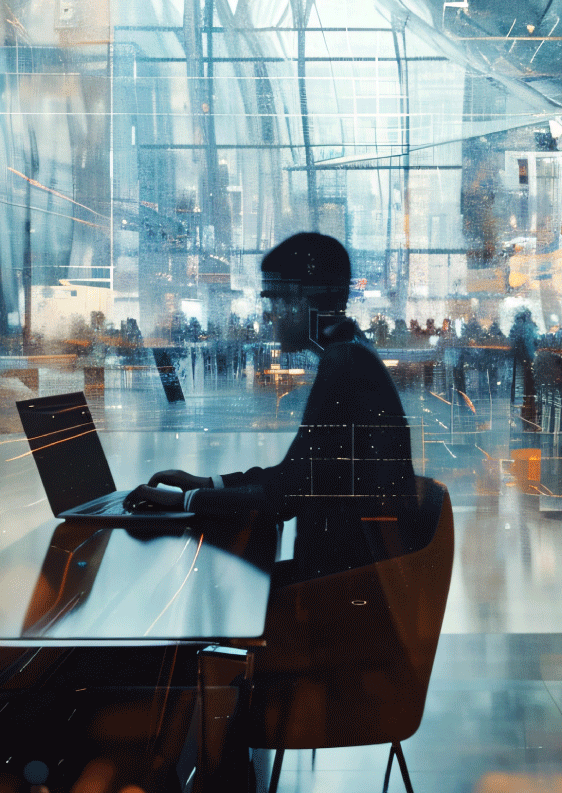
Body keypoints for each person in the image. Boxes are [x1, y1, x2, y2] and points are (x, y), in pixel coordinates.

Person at [126, 232, 415, 580]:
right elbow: (294, 477)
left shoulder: (344, 366)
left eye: (273, 299)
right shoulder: (350, 353)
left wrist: (184, 501)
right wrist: (207, 484)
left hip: (339, 590)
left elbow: (283, 496)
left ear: (302, 300)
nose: (268, 315)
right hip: (354, 571)